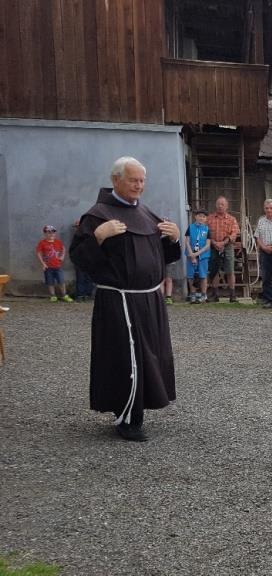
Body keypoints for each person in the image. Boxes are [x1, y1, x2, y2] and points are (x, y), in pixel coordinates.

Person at [69, 156, 181, 442]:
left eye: (142, 180)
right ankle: (128, 418)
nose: (139, 185)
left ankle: (139, 406)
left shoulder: (147, 214)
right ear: (116, 180)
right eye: (133, 180)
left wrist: (174, 239)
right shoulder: (98, 216)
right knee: (126, 357)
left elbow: (162, 257)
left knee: (150, 356)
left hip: (149, 299)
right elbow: (80, 258)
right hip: (119, 300)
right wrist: (97, 237)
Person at [207, 196, 240, 303]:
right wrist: (214, 242)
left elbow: (234, 233)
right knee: (214, 270)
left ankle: (232, 295)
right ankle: (215, 294)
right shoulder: (209, 218)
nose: (220, 206)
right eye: (218, 204)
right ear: (215, 205)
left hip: (227, 246)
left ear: (227, 206)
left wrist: (223, 242)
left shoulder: (232, 219)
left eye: (222, 204)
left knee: (230, 270)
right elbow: (205, 233)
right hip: (213, 246)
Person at [36, 224, 73, 302]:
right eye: (49, 232)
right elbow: (39, 253)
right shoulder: (42, 243)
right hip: (48, 267)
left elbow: (63, 249)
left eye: (53, 232)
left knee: (61, 281)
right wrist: (43, 263)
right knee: (50, 282)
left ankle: (64, 295)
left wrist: (62, 256)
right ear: (45, 233)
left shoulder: (58, 242)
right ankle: (53, 295)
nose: (51, 234)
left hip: (58, 266)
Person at [184, 209, 211, 304]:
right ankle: (193, 294)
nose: (201, 218)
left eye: (203, 217)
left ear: (206, 219)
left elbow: (207, 245)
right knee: (191, 275)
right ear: (195, 217)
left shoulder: (207, 229)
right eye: (199, 216)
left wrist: (197, 254)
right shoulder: (190, 227)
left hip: (203, 256)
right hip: (190, 255)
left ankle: (203, 295)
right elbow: (187, 241)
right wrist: (192, 254)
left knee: (203, 275)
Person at [72, 219, 96, 301]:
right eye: (76, 227)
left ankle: (88, 294)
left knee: (89, 278)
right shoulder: (76, 237)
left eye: (78, 226)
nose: (77, 228)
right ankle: (80, 294)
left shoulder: (89, 236)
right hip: (80, 261)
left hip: (89, 260)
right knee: (80, 278)